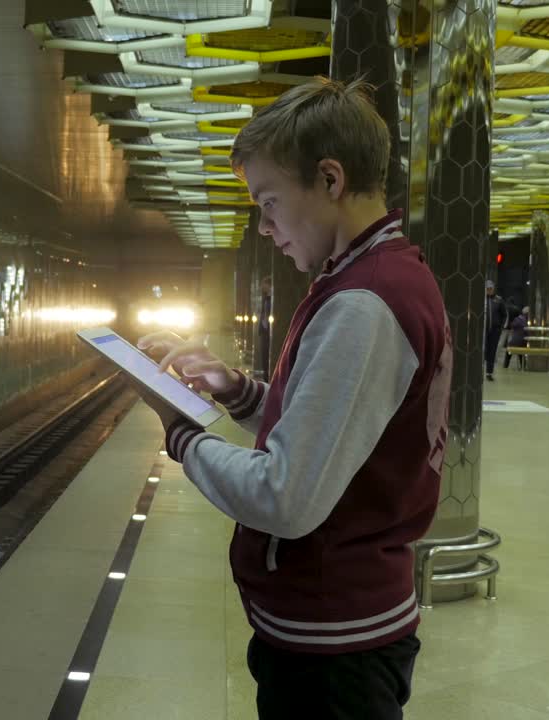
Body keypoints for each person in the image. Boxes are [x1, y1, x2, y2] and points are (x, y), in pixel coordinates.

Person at [135, 77, 452, 720]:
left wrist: (179, 430)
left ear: (329, 180)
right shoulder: (366, 278)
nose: (264, 226)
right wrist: (237, 390)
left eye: (271, 201)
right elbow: (336, 435)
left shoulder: (364, 302)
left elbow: (286, 496)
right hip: (341, 628)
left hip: (335, 650)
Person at [483, 281, 507, 381]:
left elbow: (505, 315)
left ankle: (489, 372)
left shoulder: (499, 300)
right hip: (483, 330)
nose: (489, 290)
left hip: (494, 331)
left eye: (491, 288)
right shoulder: (482, 299)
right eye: (487, 289)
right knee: (483, 350)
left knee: (492, 351)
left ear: (493, 289)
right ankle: (480, 371)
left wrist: (501, 327)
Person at [256, 276, 273, 376]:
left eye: (264, 284)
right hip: (264, 331)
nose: (262, 287)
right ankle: (265, 374)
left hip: (268, 332)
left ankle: (268, 375)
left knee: (266, 355)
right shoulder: (265, 298)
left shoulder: (271, 299)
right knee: (264, 355)